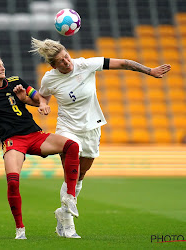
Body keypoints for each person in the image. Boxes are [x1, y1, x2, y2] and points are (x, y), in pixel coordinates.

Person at [25, 37, 171, 238]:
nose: (67, 62)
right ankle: (68, 225)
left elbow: (124, 63)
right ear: (53, 65)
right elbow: (43, 94)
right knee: (71, 164)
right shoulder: (49, 78)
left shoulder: (85, 64)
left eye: (66, 57)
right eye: (61, 61)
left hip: (92, 128)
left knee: (80, 176)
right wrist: (42, 104)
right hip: (67, 128)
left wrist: (150, 71)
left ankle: (63, 212)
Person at [0, 54, 81, 240]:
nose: (2, 67)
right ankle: (20, 229)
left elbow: (37, 96)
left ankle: (70, 197)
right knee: (13, 182)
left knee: (72, 146)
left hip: (35, 135)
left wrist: (40, 104)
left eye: (3, 63)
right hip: (13, 142)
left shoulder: (16, 82)